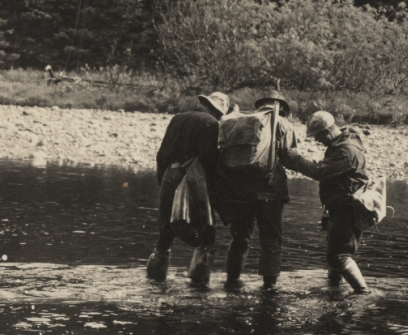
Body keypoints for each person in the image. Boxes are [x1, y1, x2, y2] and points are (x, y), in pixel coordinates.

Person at [282, 111, 371, 293]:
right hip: (341, 207)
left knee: (338, 255)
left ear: (328, 131)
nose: (316, 140)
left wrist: (294, 159)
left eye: (318, 136)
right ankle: (334, 290)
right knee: (334, 253)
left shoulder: (346, 151)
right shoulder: (342, 143)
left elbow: (319, 172)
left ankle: (363, 292)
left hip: (347, 208)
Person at [147, 92, 230, 285]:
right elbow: (208, 162)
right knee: (206, 234)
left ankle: (153, 282)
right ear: (218, 111)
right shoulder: (212, 124)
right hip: (192, 180)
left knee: (165, 234)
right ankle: (198, 288)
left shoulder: (178, 118)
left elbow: (161, 153)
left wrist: (162, 180)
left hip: (168, 175)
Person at [219, 92, 298, 289]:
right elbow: (289, 156)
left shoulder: (243, 121)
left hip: (239, 192)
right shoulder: (283, 123)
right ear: (281, 107)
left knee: (240, 237)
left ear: (260, 106)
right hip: (269, 191)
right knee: (271, 241)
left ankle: (232, 281)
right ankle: (269, 288)